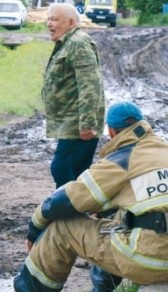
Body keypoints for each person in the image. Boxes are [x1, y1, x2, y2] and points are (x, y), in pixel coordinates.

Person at [1, 102, 168, 292]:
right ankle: (102, 290)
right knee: (118, 220)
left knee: (62, 227)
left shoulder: (125, 157)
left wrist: (35, 227)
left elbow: (68, 199)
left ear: (112, 131)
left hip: (152, 262)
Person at [43, 3, 105, 188]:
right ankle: (78, 212)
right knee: (78, 171)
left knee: (60, 167)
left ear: (70, 22)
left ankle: (71, 208)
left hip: (77, 122)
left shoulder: (77, 43)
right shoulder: (68, 42)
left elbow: (90, 85)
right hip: (71, 120)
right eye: (48, 19)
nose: (49, 24)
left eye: (54, 19)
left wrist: (86, 123)